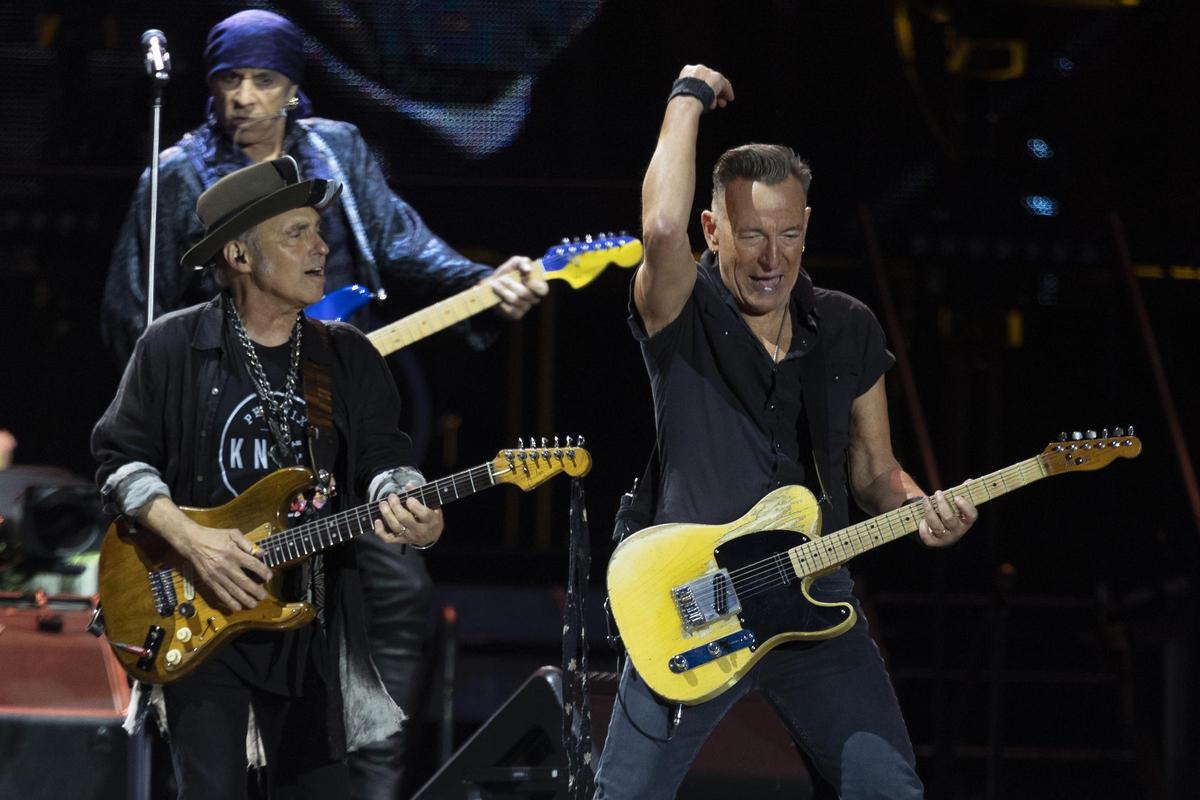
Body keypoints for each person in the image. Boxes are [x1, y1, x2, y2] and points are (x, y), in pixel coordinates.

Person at [99, 11, 547, 797]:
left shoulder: (336, 159)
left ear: (294, 87)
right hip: (219, 463)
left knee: (395, 592)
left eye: (262, 80)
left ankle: (372, 779)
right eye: (228, 81)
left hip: (321, 439)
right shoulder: (175, 181)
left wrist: (479, 286)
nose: (243, 98)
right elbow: (126, 327)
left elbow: (402, 247)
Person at [592, 65, 980, 799]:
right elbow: (659, 227)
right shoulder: (682, 312)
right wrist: (686, 96)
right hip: (694, 600)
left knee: (889, 791)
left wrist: (922, 508)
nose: (773, 259)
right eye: (751, 236)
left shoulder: (848, 326)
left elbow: (874, 472)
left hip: (817, 604)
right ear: (714, 230)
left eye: (790, 235)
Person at [93, 156, 442, 797]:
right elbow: (120, 461)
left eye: (319, 230)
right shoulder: (172, 347)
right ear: (241, 256)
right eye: (297, 233)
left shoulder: (347, 356)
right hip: (202, 616)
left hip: (309, 622)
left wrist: (409, 505)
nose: (321, 247)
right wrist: (194, 540)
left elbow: (383, 462)